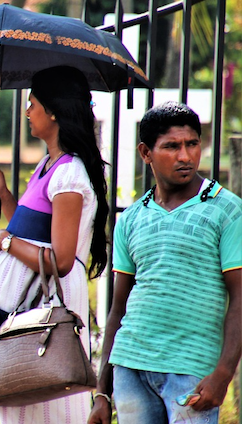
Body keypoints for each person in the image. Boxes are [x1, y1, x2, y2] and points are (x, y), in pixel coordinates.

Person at [88, 102, 242, 424]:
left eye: (192, 144)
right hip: (130, 367)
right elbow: (119, 308)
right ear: (146, 153)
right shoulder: (131, 219)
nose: (185, 156)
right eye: (171, 146)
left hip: (191, 370)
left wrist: (223, 374)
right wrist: (102, 392)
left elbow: (240, 297)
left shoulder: (227, 210)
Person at [0, 65, 109, 423]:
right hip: (20, 312)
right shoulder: (49, 165)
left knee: (47, 408)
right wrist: (3, 192)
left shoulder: (69, 174)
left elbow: (61, 260)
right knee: (22, 403)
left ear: (52, 111)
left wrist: (4, 243)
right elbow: (31, 230)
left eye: (31, 103)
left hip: (41, 313)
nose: (27, 111)